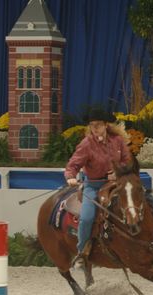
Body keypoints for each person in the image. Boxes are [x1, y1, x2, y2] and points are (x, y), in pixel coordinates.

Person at [64, 108, 132, 267]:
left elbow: (128, 161)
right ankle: (82, 252)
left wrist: (118, 171)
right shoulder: (86, 144)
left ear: (106, 125)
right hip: (93, 186)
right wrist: (71, 177)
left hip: (117, 183)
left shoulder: (118, 141)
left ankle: (149, 241)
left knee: (140, 199)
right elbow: (72, 165)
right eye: (92, 125)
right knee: (87, 217)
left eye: (99, 125)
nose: (95, 128)